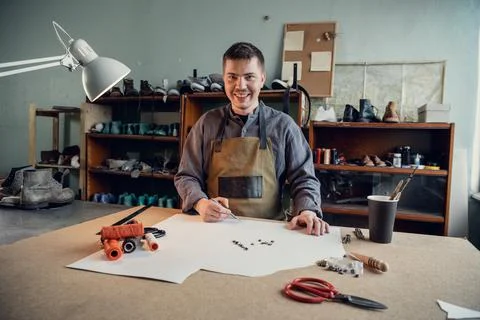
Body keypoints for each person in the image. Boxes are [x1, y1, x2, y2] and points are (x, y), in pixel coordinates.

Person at [174, 42, 329, 236]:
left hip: (269, 234)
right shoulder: (206, 124)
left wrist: (307, 210)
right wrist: (201, 203)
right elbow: (186, 176)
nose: (240, 86)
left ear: (262, 79)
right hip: (214, 232)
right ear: (224, 79)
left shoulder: (284, 126)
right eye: (232, 77)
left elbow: (304, 178)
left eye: (249, 77)